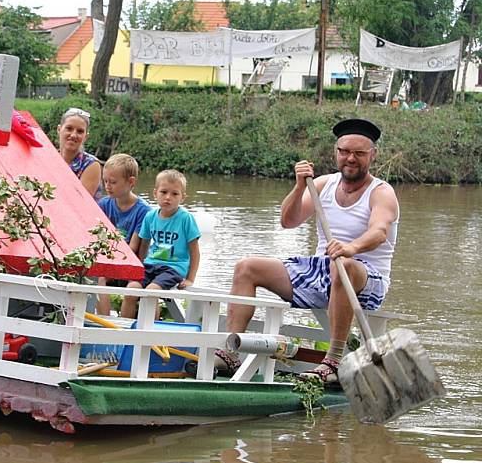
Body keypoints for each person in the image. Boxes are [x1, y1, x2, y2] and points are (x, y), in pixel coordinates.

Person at [224, 118, 399, 383]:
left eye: (359, 153)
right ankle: (229, 355)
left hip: (365, 278)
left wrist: (350, 248)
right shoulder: (323, 184)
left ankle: (334, 361)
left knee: (345, 267)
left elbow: (379, 232)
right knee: (247, 267)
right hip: (320, 271)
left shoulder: (381, 192)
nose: (350, 158)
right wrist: (298, 187)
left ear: (372, 155)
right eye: (344, 151)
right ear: (335, 152)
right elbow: (288, 221)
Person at [120, 169, 201, 319]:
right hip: (151, 264)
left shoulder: (186, 219)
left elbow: (195, 251)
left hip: (173, 268)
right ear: (155, 193)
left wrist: (190, 278)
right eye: (163, 192)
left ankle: (150, 337)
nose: (168, 197)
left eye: (175, 194)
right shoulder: (150, 216)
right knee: (131, 290)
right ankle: (125, 333)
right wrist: (141, 264)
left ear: (183, 197)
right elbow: (144, 243)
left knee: (151, 292)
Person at [95, 153, 152, 315]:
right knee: (97, 276)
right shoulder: (104, 204)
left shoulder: (144, 211)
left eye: (113, 182)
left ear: (131, 182)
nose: (107, 186)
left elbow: (132, 247)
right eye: (105, 181)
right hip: (111, 260)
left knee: (132, 289)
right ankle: (103, 323)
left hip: (133, 264)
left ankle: (122, 329)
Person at [57, 107, 103, 200]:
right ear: (59, 129)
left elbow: (79, 202)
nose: (73, 135)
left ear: (86, 136)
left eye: (80, 131)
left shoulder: (91, 164)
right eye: (69, 128)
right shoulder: (49, 158)